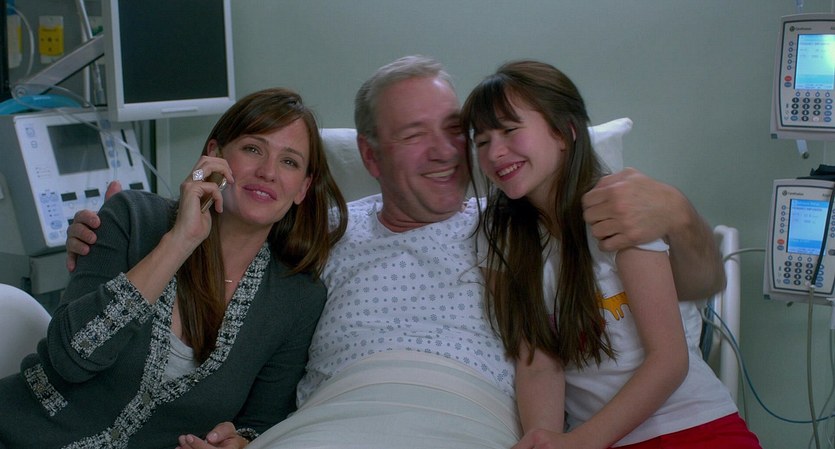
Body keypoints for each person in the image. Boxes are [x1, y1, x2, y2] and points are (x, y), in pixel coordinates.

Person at [66, 56, 726, 448]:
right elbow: (231, 240)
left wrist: (677, 211)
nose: (447, 152)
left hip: (466, 421)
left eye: (455, 132)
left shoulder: (515, 230)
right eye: (414, 135)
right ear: (372, 156)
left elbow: (687, 287)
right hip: (327, 421)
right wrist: (118, 237)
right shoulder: (318, 233)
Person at [0, 88, 348, 449]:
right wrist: (180, 241)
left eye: (289, 162)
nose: (268, 172)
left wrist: (239, 442)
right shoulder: (131, 217)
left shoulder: (298, 299)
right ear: (214, 155)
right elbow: (71, 359)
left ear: (303, 188)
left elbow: (261, 423)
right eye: (252, 149)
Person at [461, 60, 760, 448]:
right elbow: (537, 362)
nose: (495, 152)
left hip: (693, 424)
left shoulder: (619, 209)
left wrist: (582, 442)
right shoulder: (500, 237)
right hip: (601, 439)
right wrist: (544, 439)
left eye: (510, 130)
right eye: (482, 141)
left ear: (565, 132)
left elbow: (669, 360)